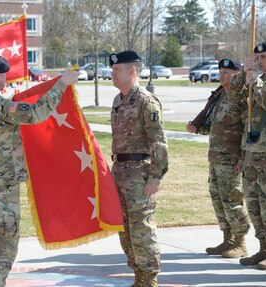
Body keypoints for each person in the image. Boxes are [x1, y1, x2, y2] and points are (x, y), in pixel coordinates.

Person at [0, 53, 78, 287]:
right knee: (4, 245)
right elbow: (37, 113)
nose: (5, 80)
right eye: (3, 75)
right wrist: (62, 83)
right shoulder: (0, 106)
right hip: (1, 187)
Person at [109, 51, 168, 287]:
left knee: (141, 227)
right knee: (124, 228)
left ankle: (149, 277)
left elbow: (159, 142)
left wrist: (155, 177)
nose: (112, 74)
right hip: (120, 172)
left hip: (140, 175)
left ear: (132, 71)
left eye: (117, 71)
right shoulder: (118, 100)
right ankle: (138, 275)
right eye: (112, 71)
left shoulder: (146, 101)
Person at [186, 59, 250, 258]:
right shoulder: (219, 96)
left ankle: (241, 242)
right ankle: (227, 239)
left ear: (238, 75)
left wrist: (243, 159)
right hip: (216, 158)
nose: (221, 75)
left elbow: (249, 129)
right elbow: (216, 126)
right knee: (218, 199)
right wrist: (197, 127)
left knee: (232, 200)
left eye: (226, 72)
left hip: (232, 158)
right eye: (221, 71)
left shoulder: (242, 98)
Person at [228, 40, 266, 269]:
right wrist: (244, 73)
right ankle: (264, 248)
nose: (258, 61)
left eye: (263, 57)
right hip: (252, 152)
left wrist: (253, 81)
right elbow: (234, 96)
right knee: (255, 205)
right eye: (257, 58)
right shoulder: (259, 78)